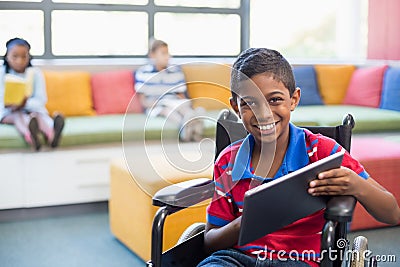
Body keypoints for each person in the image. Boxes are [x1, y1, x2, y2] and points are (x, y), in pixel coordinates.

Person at [198, 48, 400, 266]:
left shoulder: (322, 152)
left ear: (294, 100)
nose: (264, 113)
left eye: (274, 100)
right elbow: (210, 242)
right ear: (236, 107)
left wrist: (356, 184)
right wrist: (244, 224)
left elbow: (392, 213)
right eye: (250, 103)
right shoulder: (228, 162)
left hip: (298, 260)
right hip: (238, 259)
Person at [0, 37, 64, 151]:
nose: (19, 61)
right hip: (8, 112)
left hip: (31, 109)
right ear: (7, 56)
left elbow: (41, 100)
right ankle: (30, 136)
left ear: (29, 57)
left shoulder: (35, 74)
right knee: (18, 117)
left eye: (23, 56)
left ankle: (51, 135)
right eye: (15, 56)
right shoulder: (1, 73)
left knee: (37, 116)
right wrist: (12, 105)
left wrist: (24, 103)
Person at [134, 39, 204, 142]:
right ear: (152, 55)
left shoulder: (176, 71)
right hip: (157, 105)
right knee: (167, 110)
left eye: (168, 53)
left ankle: (190, 122)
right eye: (163, 53)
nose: (167, 57)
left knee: (184, 108)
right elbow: (143, 100)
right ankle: (188, 127)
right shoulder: (143, 73)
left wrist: (187, 104)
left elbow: (181, 95)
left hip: (174, 101)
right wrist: (153, 104)